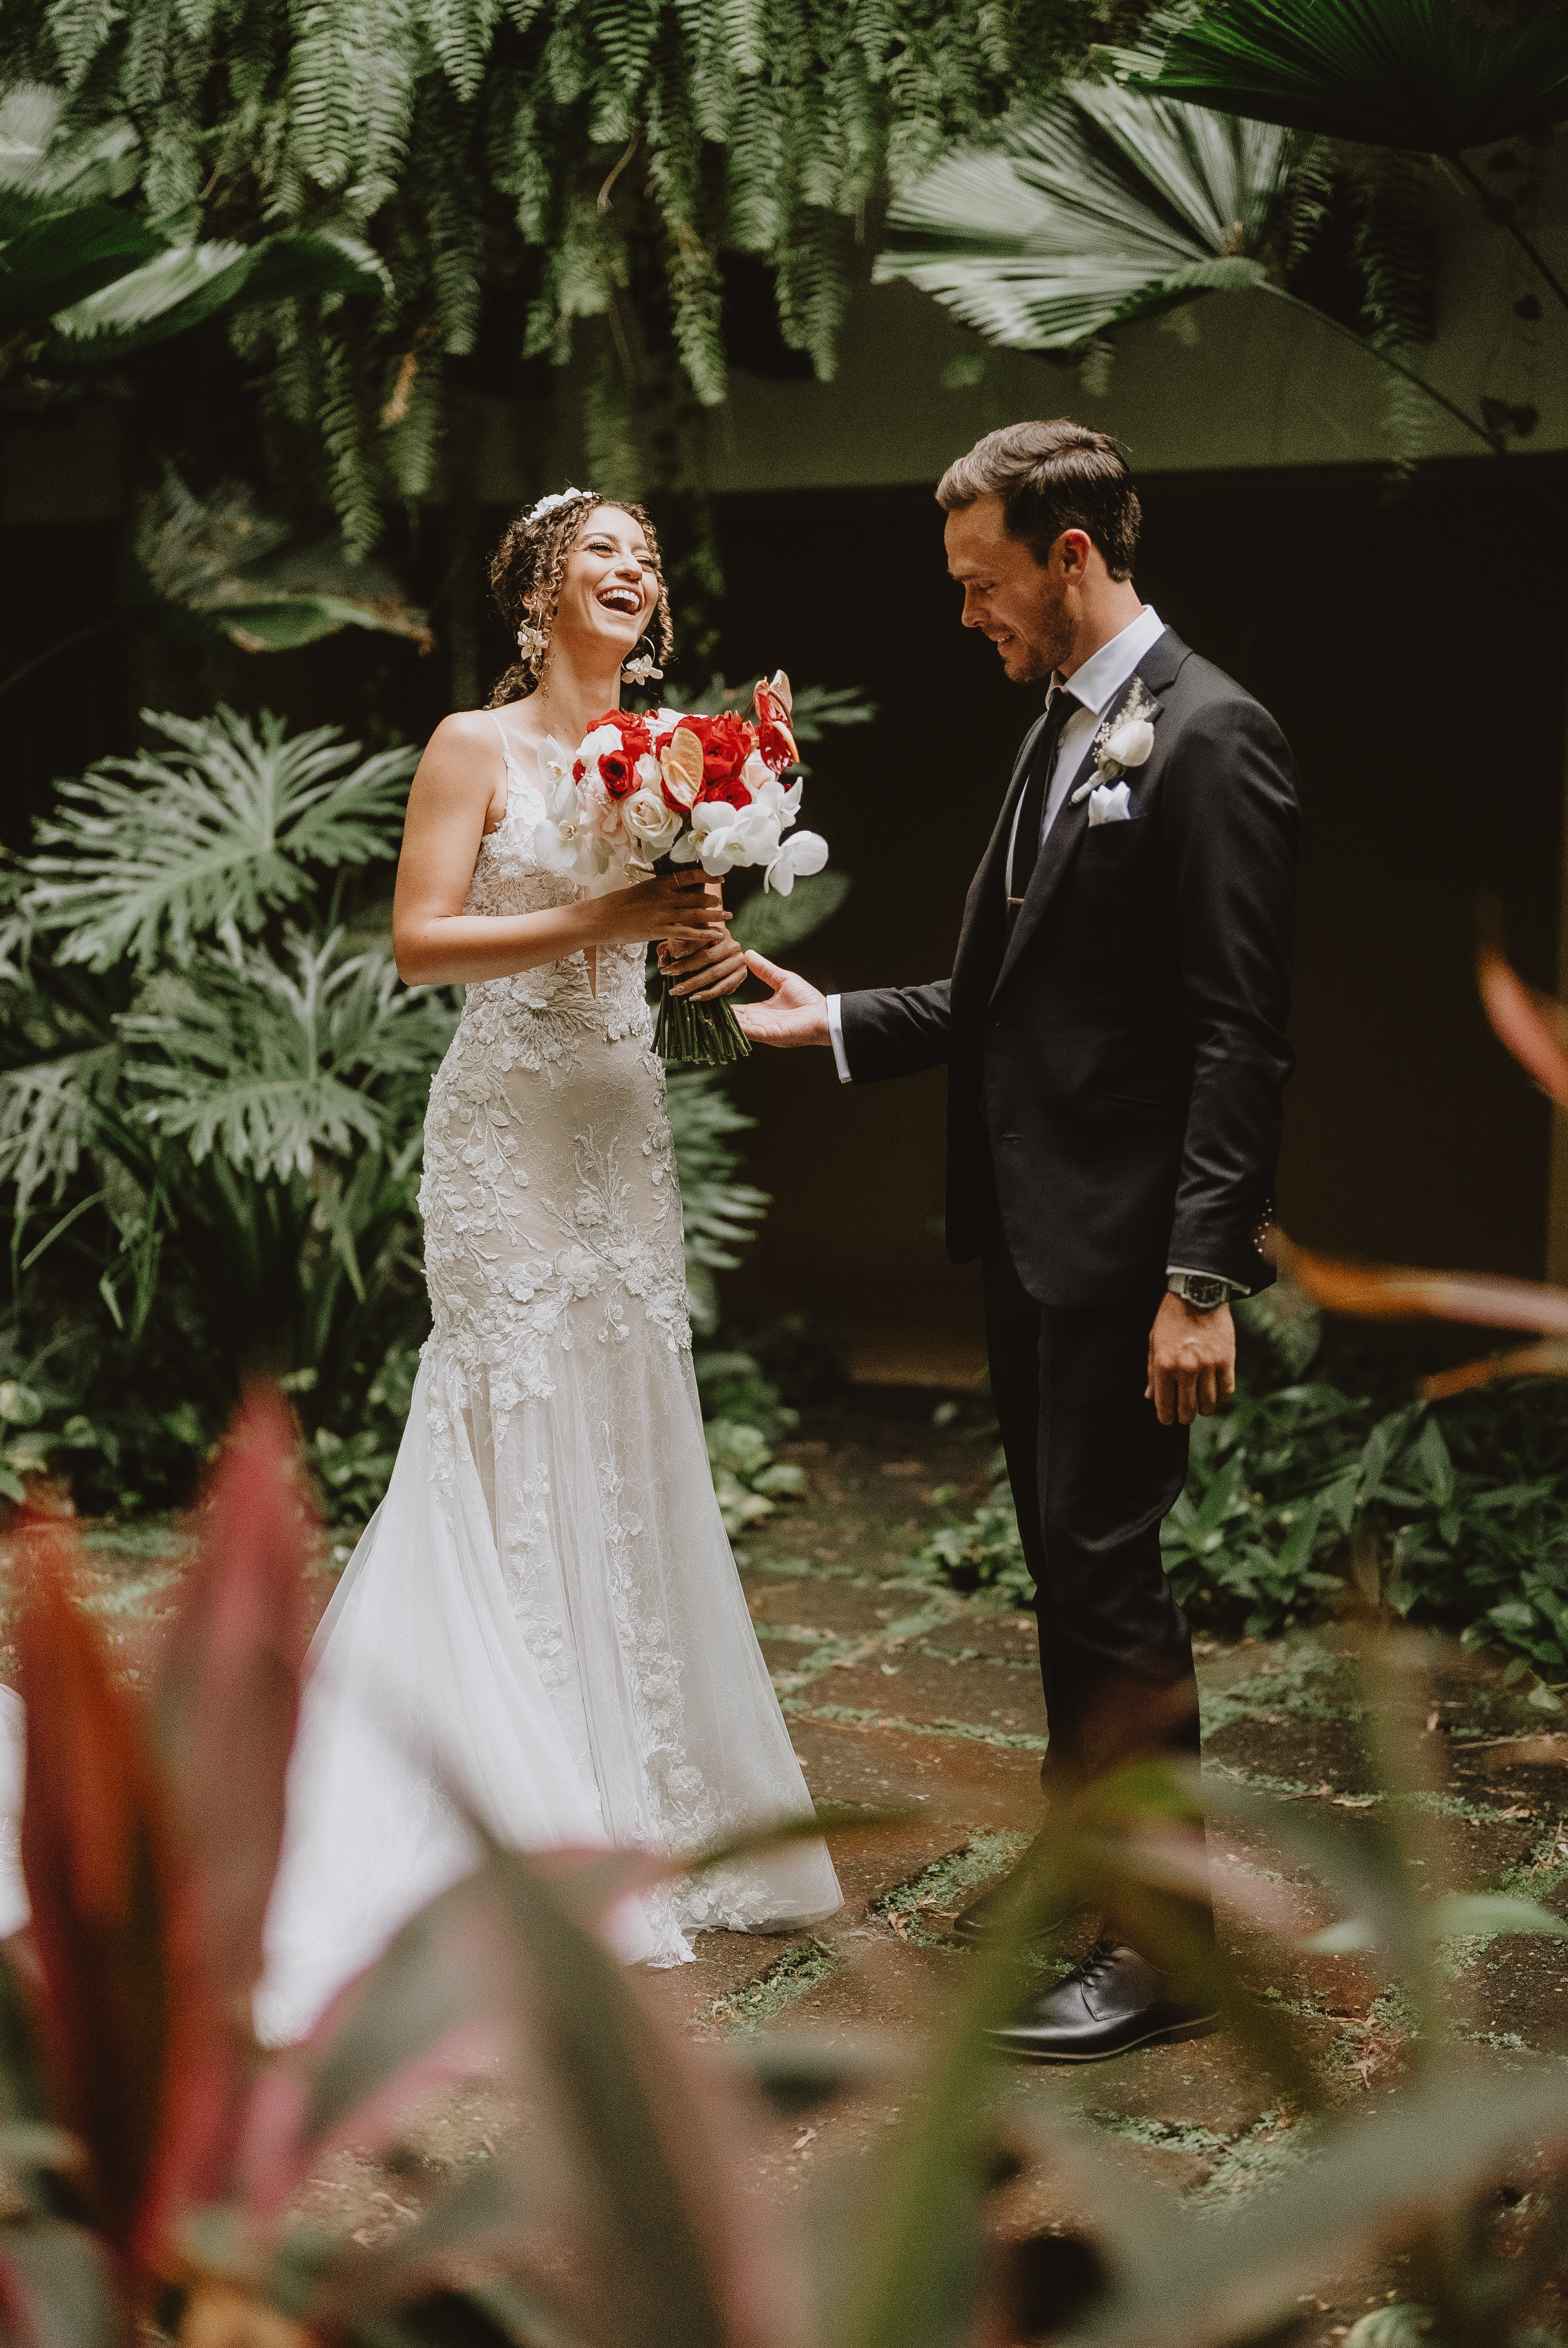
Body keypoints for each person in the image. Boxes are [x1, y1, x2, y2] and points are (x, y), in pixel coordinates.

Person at [736, 420, 1298, 2064]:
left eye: (983, 584)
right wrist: (831, 1016)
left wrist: (1202, 1280)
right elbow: (1014, 999)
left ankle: (1171, 1947)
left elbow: (1239, 1036)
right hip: (1041, 1240)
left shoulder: (1209, 740)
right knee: (1068, 1571)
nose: (966, 615)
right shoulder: (1066, 730)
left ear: (1071, 558)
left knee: (1111, 1581)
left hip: (1133, 1256)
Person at [256, 489, 841, 2043]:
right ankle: (497, 1805)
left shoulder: (687, 755)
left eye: (648, 557)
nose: (634, 572)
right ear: (537, 589)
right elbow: (423, 943)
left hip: (619, 1111)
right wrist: (602, 910)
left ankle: (640, 1787)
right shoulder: (475, 745)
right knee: (508, 1408)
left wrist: (699, 943)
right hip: (508, 1124)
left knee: (632, 1414)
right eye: (604, 551)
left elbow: (668, 942)